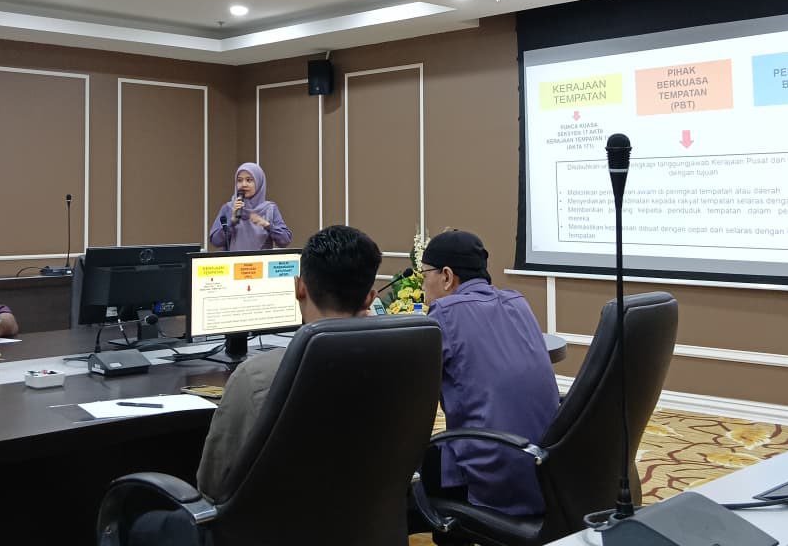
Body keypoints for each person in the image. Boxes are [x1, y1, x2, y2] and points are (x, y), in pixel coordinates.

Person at [128, 224, 382, 545]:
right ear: (370, 297)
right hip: (364, 526)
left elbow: (213, 487)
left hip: (269, 531)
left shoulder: (258, 377)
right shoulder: (401, 359)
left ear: (299, 288)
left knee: (139, 524)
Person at [419, 229, 558, 517]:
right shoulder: (517, 301)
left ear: (446, 276)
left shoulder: (445, 312)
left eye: (424, 275)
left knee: (406, 471)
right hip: (548, 467)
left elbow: (411, 385)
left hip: (496, 471)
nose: (423, 285)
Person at [208, 162, 292, 251]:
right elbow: (215, 242)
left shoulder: (270, 209)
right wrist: (231, 223)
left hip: (261, 260)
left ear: (259, 182)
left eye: (249, 180)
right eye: (239, 180)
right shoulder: (228, 208)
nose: (244, 184)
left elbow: (285, 241)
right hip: (234, 260)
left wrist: (266, 225)